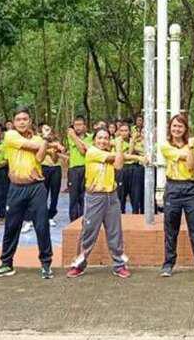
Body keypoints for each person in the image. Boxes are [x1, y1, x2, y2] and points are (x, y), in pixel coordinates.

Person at [0, 109, 55, 279]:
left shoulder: (39, 138)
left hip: (36, 187)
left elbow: (39, 158)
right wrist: (47, 142)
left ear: (30, 121)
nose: (22, 122)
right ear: (13, 122)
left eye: (25, 119)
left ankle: (46, 264)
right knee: (11, 226)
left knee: (42, 226)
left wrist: (45, 141)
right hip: (16, 188)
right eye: (18, 119)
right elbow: (32, 147)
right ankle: (6, 263)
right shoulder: (10, 135)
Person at [66, 127, 131, 278]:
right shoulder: (92, 152)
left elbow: (119, 163)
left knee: (115, 232)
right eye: (100, 138)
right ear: (94, 140)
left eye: (106, 138)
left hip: (112, 197)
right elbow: (119, 161)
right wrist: (119, 145)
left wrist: (133, 155)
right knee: (88, 232)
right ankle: (79, 265)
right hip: (95, 198)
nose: (103, 141)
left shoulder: (111, 154)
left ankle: (119, 265)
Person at [160, 114, 194, 277]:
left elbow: (190, 166)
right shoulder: (165, 145)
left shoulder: (192, 145)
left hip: (191, 189)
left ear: (185, 129)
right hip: (173, 188)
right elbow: (188, 159)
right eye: (174, 126)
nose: (177, 129)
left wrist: (191, 149)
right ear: (170, 128)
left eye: (180, 126)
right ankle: (168, 264)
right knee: (171, 228)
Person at [66, 116, 92, 221]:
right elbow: (82, 149)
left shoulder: (90, 137)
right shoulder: (70, 137)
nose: (77, 127)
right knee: (73, 197)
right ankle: (73, 220)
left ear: (85, 126)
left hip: (86, 168)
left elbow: (83, 151)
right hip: (74, 169)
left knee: (83, 196)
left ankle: (82, 219)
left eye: (80, 125)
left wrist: (73, 135)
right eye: (75, 125)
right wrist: (72, 136)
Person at [39, 123, 65, 226]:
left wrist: (51, 152)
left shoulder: (57, 143)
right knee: (42, 194)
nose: (47, 132)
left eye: (48, 130)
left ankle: (51, 216)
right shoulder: (38, 141)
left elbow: (54, 159)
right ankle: (42, 214)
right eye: (45, 130)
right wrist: (48, 151)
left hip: (55, 169)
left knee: (55, 193)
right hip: (43, 168)